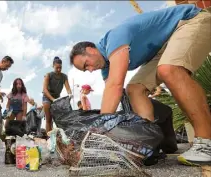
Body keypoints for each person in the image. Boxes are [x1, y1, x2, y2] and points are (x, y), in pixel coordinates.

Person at [69, 5, 211, 165]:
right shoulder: (106, 66)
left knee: (169, 70)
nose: (89, 70)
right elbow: (111, 96)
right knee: (135, 88)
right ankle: (150, 144)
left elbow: (115, 86)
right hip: (163, 48)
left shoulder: (114, 38)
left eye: (86, 64)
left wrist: (98, 132)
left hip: (189, 21)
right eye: (85, 70)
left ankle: (207, 142)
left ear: (91, 50)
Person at [42, 56, 73, 133]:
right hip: (47, 97)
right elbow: (44, 90)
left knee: (58, 119)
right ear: (53, 66)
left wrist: (70, 94)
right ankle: (48, 138)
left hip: (57, 98)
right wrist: (52, 99)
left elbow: (68, 88)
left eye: (60, 68)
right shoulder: (48, 75)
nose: (59, 70)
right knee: (48, 119)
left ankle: (57, 135)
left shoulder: (64, 76)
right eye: (57, 68)